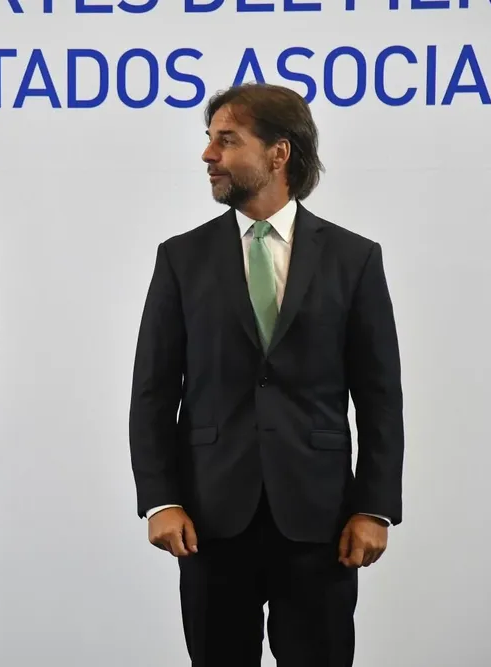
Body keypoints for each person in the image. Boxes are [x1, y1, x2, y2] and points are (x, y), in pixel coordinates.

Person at [128, 82, 404, 666]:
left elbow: (380, 398)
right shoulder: (180, 258)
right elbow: (153, 392)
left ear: (279, 154)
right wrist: (159, 500)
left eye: (227, 141)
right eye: (210, 139)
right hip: (209, 521)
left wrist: (374, 507)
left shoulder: (354, 259)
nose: (208, 155)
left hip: (321, 522)